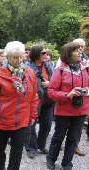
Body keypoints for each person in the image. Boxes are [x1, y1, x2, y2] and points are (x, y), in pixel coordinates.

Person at [0, 41, 38, 170]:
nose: (19, 60)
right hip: (3, 119)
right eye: (15, 57)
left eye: (21, 57)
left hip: (22, 120)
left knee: (17, 151)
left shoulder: (29, 73)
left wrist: (33, 115)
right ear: (7, 58)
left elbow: (34, 97)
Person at [46, 42, 89, 170]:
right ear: (68, 54)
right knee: (58, 137)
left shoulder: (85, 68)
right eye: (77, 50)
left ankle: (67, 163)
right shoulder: (60, 70)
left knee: (73, 138)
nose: (80, 52)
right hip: (63, 110)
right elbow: (51, 92)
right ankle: (51, 159)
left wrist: (86, 90)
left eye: (81, 50)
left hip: (81, 110)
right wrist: (68, 94)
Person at [26, 45, 54, 158]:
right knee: (31, 125)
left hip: (49, 99)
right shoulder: (27, 67)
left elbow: (56, 79)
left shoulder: (48, 65)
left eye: (46, 53)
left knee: (47, 124)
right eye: (43, 53)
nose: (46, 55)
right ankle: (31, 148)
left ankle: (41, 145)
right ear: (36, 54)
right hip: (35, 100)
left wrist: (50, 83)